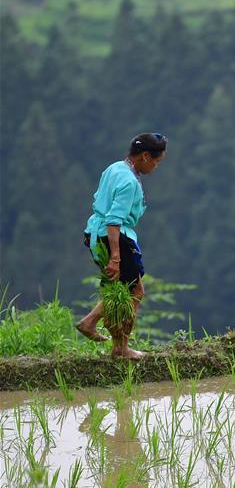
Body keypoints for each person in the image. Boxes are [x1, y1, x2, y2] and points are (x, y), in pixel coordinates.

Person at [77, 133, 167, 359]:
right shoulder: (128, 181)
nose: (156, 167)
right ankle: (121, 348)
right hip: (114, 237)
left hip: (95, 233)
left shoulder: (115, 168)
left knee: (119, 288)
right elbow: (114, 220)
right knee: (135, 291)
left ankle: (90, 322)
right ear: (145, 156)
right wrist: (116, 257)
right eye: (156, 162)